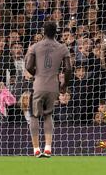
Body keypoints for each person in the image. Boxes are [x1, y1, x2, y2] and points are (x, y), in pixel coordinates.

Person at [25, 21, 72, 158]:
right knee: (48, 115)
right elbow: (68, 69)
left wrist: (37, 75)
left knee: (34, 116)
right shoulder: (62, 47)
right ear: (56, 32)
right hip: (53, 87)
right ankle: (48, 147)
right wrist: (64, 85)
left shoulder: (35, 46)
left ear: (43, 32)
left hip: (39, 85)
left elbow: (28, 66)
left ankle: (36, 149)